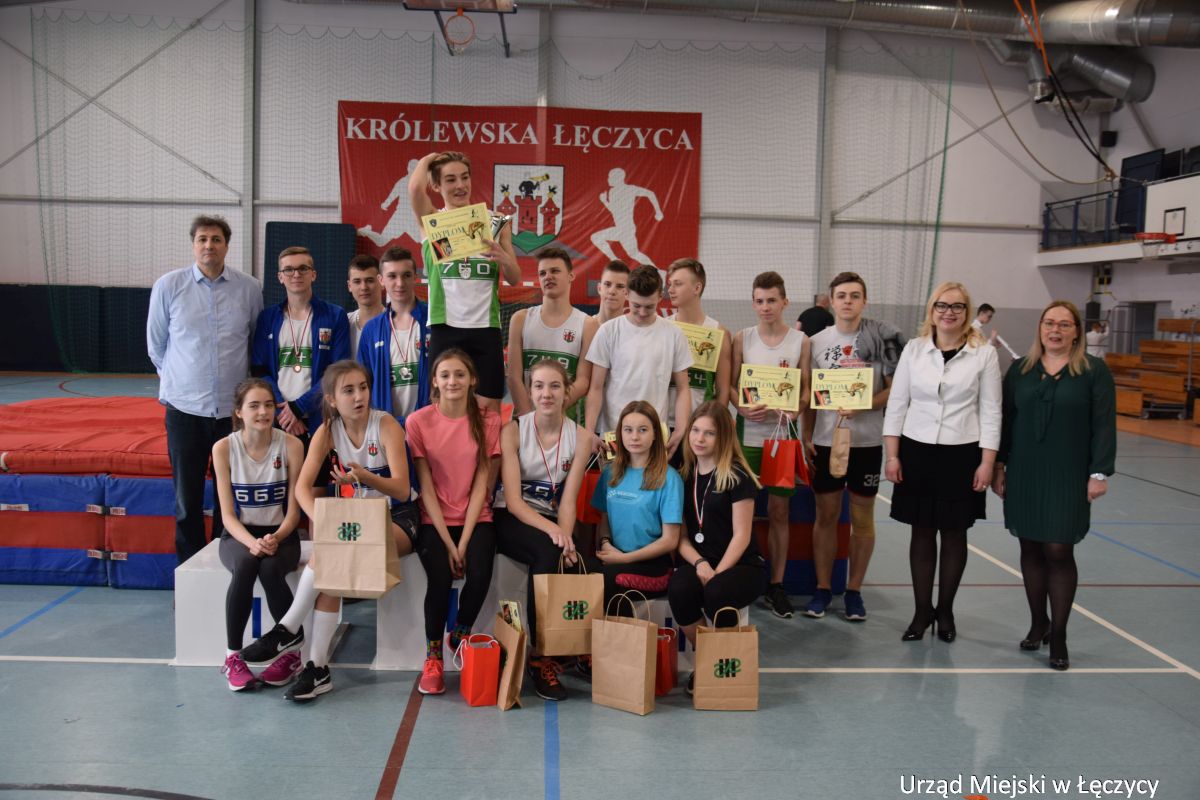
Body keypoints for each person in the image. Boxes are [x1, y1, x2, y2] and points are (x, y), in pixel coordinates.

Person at [237, 360, 418, 702]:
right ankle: (317, 667)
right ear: (332, 399)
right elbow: (302, 489)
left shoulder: (386, 425)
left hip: (398, 517)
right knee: (332, 564)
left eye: (363, 387)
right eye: (349, 390)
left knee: (336, 555)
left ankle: (288, 630)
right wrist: (322, 521)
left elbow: (402, 489)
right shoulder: (326, 431)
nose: (359, 396)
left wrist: (365, 477)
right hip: (357, 520)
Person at [993, 301, 1116, 671]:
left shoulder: (1093, 371)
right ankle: (1038, 623)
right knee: (1030, 546)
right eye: (1049, 323)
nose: (1055, 330)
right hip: (1025, 470)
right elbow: (1005, 421)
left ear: (1077, 331)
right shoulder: (1021, 370)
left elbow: (1104, 424)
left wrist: (1099, 473)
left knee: (1059, 549)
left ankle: (1059, 634)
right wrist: (999, 465)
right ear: (1040, 328)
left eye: (1064, 324)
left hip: (1068, 472)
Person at [883, 283, 1001, 643]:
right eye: (942, 305)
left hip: (962, 453)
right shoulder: (914, 350)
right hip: (916, 451)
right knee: (921, 532)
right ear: (931, 310)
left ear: (967, 313)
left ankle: (945, 611)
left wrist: (987, 462)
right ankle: (922, 611)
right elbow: (897, 404)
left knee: (954, 533)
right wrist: (892, 455)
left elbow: (991, 411)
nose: (949, 312)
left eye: (957, 306)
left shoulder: (984, 354)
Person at [147, 215, 263, 564]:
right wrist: (181, 382)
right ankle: (189, 570)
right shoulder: (169, 286)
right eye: (202, 239)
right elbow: (156, 345)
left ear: (227, 245)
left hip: (232, 414)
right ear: (193, 244)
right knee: (187, 500)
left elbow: (253, 341)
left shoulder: (249, 288)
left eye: (216, 239)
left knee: (231, 497)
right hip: (185, 411)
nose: (209, 245)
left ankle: (225, 566)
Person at [802, 271, 904, 621]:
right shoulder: (816, 342)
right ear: (831, 301)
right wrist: (807, 436)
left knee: (862, 519)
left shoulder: (882, 337)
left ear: (864, 301)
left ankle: (855, 591)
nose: (848, 301)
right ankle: (822, 588)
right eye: (842, 295)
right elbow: (810, 397)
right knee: (826, 517)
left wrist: (867, 405)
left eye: (855, 295)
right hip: (826, 442)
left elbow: (895, 389)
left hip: (867, 443)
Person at [404, 349, 503, 695]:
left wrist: (463, 542)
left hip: (476, 516)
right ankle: (433, 657)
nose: (452, 381)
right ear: (434, 381)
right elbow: (426, 486)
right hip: (434, 520)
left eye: (460, 374)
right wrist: (449, 542)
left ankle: (460, 631)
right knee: (440, 579)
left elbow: (482, 484)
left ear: (472, 379)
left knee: (479, 572)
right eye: (445, 375)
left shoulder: (490, 420)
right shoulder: (418, 422)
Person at [494, 359, 594, 701]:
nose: (546, 393)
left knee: (580, 560)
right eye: (538, 386)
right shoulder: (513, 430)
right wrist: (556, 534)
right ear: (529, 391)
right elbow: (513, 502)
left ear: (567, 392)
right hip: (512, 518)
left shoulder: (581, 437)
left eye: (554, 386)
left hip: (552, 518)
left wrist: (566, 538)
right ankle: (539, 658)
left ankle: (575, 647)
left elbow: (568, 502)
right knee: (548, 551)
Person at [409, 151, 522, 413]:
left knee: (489, 410)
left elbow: (515, 277)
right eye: (450, 179)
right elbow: (415, 188)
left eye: (465, 177)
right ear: (436, 186)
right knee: (444, 409)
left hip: (486, 327)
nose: (460, 185)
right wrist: (431, 158)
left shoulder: (495, 222)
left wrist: (504, 258)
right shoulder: (432, 221)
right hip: (446, 326)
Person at [211, 379, 305, 691]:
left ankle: (290, 656)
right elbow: (227, 515)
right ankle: (233, 657)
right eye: (254, 406)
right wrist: (252, 543)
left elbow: (294, 511)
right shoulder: (224, 448)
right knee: (246, 565)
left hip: (282, 533)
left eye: (268, 405)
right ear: (239, 411)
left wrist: (275, 537)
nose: (263, 412)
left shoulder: (291, 445)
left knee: (270, 568)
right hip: (239, 535)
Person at [669, 401, 766, 695]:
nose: (699, 439)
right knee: (679, 588)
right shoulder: (683, 475)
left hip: (741, 564)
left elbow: (742, 536)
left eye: (709, 433)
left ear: (722, 437)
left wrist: (717, 573)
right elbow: (681, 538)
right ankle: (711, 659)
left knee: (717, 592)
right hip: (701, 561)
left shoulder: (737, 476)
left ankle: (718, 667)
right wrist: (700, 564)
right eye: (695, 431)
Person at [730, 271, 809, 618]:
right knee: (740, 512)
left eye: (772, 300)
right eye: (760, 301)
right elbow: (731, 385)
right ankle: (740, 575)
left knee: (779, 513)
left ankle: (776, 585)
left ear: (784, 302)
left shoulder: (800, 342)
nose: (766, 307)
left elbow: (806, 390)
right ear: (753, 303)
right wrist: (740, 406)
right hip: (746, 437)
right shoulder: (742, 338)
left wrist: (797, 409)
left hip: (781, 438)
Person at [585, 265, 692, 456]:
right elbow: (596, 387)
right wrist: (589, 430)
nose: (642, 312)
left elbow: (683, 388)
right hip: (614, 433)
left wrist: (681, 429)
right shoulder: (608, 331)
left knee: (654, 477)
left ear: (660, 297)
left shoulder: (674, 334)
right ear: (626, 294)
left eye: (649, 307)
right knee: (615, 477)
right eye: (636, 306)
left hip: (655, 435)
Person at [252, 246, 350, 440]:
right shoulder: (267, 318)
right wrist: (283, 410)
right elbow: (259, 370)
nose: (296, 274)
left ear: (313, 275)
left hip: (320, 419)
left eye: (303, 268)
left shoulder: (335, 315)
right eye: (289, 269)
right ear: (280, 277)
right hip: (278, 419)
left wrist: (299, 407)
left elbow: (338, 371)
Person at [590, 401, 683, 606]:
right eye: (628, 430)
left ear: (655, 434)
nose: (634, 437)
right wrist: (605, 543)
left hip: (652, 565)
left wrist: (624, 559)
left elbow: (670, 541)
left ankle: (617, 630)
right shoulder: (610, 473)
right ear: (620, 434)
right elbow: (604, 519)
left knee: (606, 581)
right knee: (579, 573)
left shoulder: (669, 478)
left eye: (642, 430)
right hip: (615, 554)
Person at [506, 247, 597, 423]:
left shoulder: (588, 324)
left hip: (566, 420)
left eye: (555, 271)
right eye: (542, 273)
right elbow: (514, 377)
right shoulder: (520, 319)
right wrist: (529, 419)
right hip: (525, 418)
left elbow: (583, 381)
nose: (548, 276)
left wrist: (551, 411)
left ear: (571, 276)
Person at [356, 247, 431, 421]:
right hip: (385, 425)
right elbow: (363, 381)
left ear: (415, 277)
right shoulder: (372, 329)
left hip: (429, 423)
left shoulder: (433, 320)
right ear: (381, 280)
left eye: (406, 275)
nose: (400, 283)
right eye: (392, 276)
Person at [666, 258, 732, 428]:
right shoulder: (662, 327)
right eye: (670, 284)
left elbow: (723, 390)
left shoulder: (719, 332)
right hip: (663, 423)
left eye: (678, 284)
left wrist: (714, 425)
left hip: (700, 426)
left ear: (697, 288)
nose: (670, 290)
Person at [346, 254, 385, 358]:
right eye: (357, 281)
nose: (364, 287)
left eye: (370, 280)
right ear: (349, 286)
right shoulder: (345, 322)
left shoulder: (394, 322)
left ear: (382, 281)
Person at [593, 260, 630, 325]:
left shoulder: (633, 330)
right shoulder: (583, 327)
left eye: (620, 286)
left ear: (628, 293)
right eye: (607, 284)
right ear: (599, 288)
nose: (612, 291)